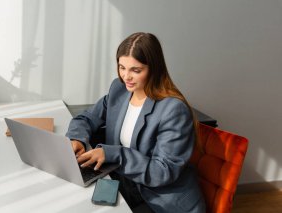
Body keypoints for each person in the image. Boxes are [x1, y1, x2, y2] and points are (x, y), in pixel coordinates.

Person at [66, 32, 206, 213]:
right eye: (122, 67)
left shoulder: (173, 110)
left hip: (159, 202)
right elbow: (86, 118)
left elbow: (162, 172)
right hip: (126, 186)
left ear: (154, 69)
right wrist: (76, 139)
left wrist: (113, 154)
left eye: (136, 70)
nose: (126, 76)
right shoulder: (119, 90)